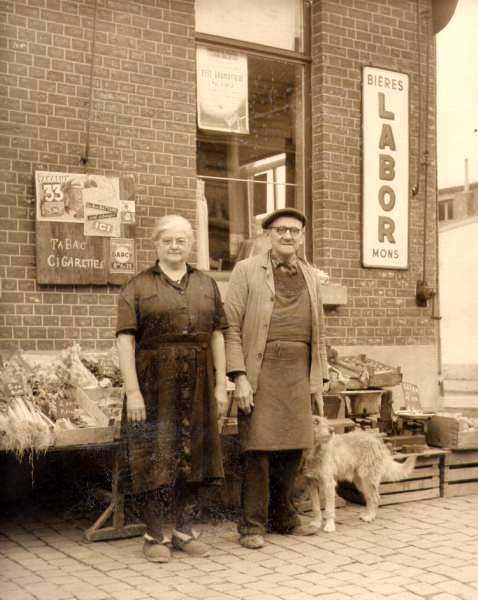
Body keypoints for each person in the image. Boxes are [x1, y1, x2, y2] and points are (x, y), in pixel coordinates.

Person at [116, 215, 228, 563]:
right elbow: (125, 341)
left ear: (190, 244)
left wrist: (221, 383)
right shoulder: (136, 286)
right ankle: (154, 536)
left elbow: (218, 334)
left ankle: (182, 530)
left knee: (194, 454)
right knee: (155, 456)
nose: (175, 245)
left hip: (199, 380)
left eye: (181, 240)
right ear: (157, 244)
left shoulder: (207, 284)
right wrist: (133, 392)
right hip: (153, 383)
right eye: (168, 240)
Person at [224, 207, 328, 549]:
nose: (287, 236)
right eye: (281, 230)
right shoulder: (246, 270)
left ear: (301, 237)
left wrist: (319, 378)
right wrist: (239, 375)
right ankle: (251, 525)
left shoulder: (311, 275)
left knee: (295, 446)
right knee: (258, 448)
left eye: (294, 231)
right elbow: (231, 327)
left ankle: (284, 518)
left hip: (298, 369)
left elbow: (320, 331)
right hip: (260, 368)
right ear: (268, 235)